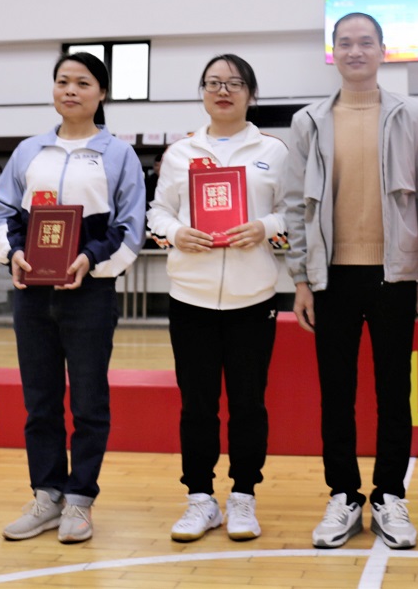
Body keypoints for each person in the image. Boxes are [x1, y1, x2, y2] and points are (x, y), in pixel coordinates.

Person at [285, 12, 418, 550]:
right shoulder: (308, 121)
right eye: (345, 43)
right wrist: (301, 280)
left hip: (396, 273)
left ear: (382, 50)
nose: (356, 51)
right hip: (331, 278)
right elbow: (294, 206)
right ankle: (344, 495)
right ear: (334, 52)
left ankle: (390, 494)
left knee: (395, 391)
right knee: (337, 393)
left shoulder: (412, 115)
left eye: (365, 42)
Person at [0, 51, 146, 544]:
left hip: (89, 292)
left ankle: (80, 500)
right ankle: (47, 495)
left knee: (88, 401)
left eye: (82, 82)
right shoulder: (29, 151)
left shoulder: (118, 154)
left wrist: (91, 262)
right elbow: (1, 212)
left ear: (102, 93)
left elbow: (131, 226)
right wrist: (13, 252)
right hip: (32, 294)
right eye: (62, 81)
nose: (70, 90)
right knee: (39, 400)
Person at [147, 54, 289, 543]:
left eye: (234, 83)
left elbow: (293, 212)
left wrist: (265, 226)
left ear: (251, 94)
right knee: (197, 405)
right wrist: (176, 233)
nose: (222, 91)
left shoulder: (273, 150)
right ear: (202, 93)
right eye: (213, 83)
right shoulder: (180, 152)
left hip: (254, 298)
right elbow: (158, 212)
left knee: (248, 403)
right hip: (191, 297)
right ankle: (200, 499)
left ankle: (244, 496)